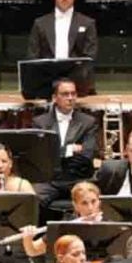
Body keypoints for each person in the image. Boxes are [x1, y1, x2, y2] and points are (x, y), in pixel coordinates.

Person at [32, 78, 99, 209]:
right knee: (31, 198)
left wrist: (56, 153)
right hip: (49, 180)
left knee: (91, 199)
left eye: (73, 94)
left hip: (77, 179)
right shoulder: (40, 122)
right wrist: (69, 150)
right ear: (54, 97)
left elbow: (87, 154)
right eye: (65, 94)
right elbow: (41, 155)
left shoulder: (88, 122)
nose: (70, 98)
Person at [27, 0, 98, 64]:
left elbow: (90, 58)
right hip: (47, 76)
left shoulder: (88, 23)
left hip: (77, 77)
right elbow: (33, 58)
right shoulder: (40, 24)